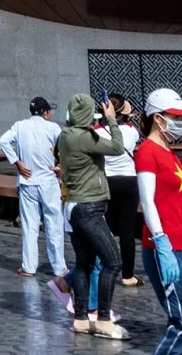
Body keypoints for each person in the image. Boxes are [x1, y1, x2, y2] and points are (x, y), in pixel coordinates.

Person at [136, 88, 182, 355]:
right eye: (174, 116)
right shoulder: (147, 152)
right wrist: (161, 241)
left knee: (181, 319)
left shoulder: (168, 151)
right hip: (164, 247)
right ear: (157, 118)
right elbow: (148, 201)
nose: (179, 122)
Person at [58, 93, 126, 338]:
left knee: (84, 264)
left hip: (75, 206)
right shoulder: (82, 137)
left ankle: (81, 318)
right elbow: (118, 147)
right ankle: (104, 319)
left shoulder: (66, 135)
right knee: (113, 261)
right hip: (89, 207)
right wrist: (111, 119)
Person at [0, 95, 68, 300]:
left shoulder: (20, 126)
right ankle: (59, 268)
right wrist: (60, 166)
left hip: (28, 181)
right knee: (54, 223)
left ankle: (29, 266)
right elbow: (65, 147)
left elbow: (3, 140)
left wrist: (16, 161)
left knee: (29, 225)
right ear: (45, 112)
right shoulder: (54, 128)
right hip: (48, 181)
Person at [103, 94, 142, 287]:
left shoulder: (98, 132)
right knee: (128, 230)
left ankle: (107, 266)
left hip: (107, 180)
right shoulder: (131, 131)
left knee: (107, 227)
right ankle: (128, 275)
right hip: (128, 181)